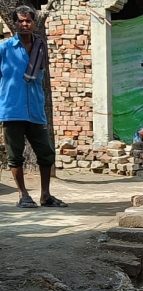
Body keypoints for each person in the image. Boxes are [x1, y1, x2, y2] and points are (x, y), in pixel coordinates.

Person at [0, 6, 67, 208]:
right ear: (15, 23)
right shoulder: (4, 49)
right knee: (15, 156)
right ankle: (23, 195)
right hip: (12, 109)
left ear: (34, 23)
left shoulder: (40, 48)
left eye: (28, 21)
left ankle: (46, 195)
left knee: (46, 153)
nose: (24, 24)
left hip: (36, 110)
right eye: (20, 21)